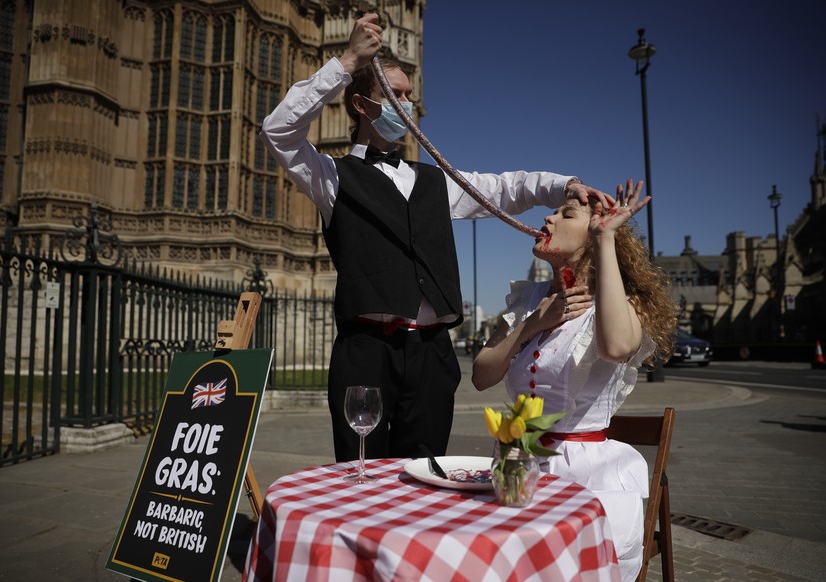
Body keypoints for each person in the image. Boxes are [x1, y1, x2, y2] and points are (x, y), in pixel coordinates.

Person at [260, 13, 609, 463]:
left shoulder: (436, 181)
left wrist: (565, 185)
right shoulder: (331, 177)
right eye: (395, 94)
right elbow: (279, 131)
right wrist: (345, 62)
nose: (408, 101)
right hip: (366, 351)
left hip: (431, 353)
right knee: (361, 468)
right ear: (363, 106)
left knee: (423, 473)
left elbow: (504, 187)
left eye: (409, 93)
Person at [472, 179, 677, 581]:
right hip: (518, 466)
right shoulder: (529, 300)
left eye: (566, 214)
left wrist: (604, 239)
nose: (547, 217)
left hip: (585, 476)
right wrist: (534, 324)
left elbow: (617, 347)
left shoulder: (618, 303)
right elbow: (481, 374)